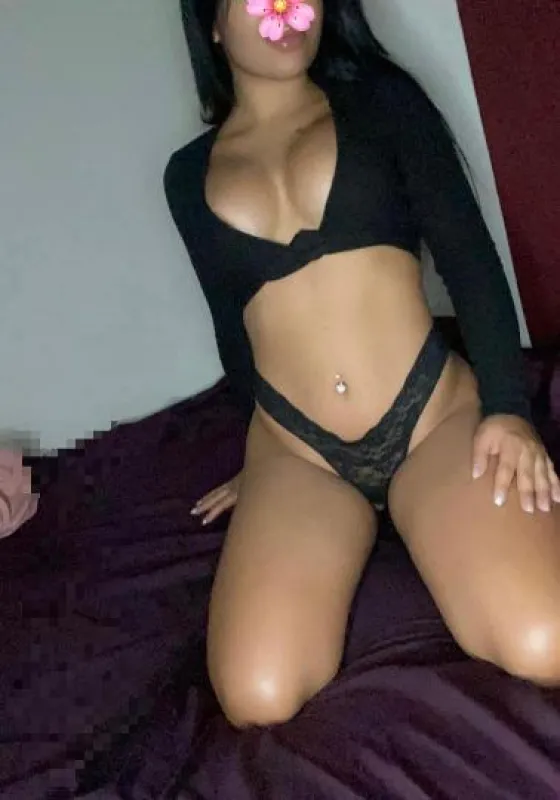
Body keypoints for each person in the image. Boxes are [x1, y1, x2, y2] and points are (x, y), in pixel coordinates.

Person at [164, 0, 560, 729]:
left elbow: (469, 260)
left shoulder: (383, 103)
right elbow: (233, 326)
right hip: (298, 450)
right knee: (257, 696)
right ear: (212, 22)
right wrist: (257, 460)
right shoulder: (186, 177)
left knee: (546, 640)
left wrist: (508, 408)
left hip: (430, 418)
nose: (286, 9)